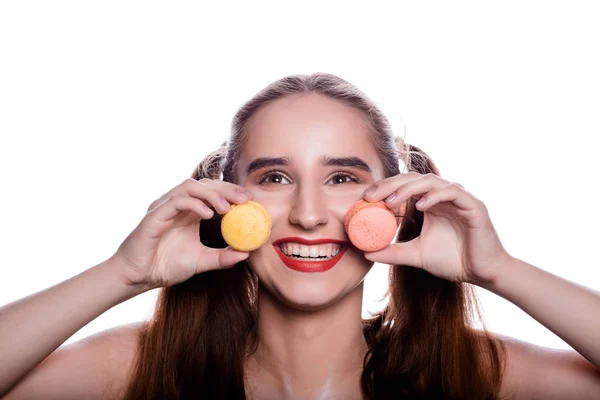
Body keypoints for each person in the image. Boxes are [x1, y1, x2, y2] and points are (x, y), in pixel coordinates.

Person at [1, 73, 599, 399]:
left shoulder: (466, 372)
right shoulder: (145, 366)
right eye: (275, 177)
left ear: (398, 201)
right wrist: (121, 274)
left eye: (342, 177)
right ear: (222, 199)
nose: (309, 215)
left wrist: (501, 270)